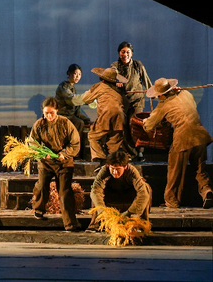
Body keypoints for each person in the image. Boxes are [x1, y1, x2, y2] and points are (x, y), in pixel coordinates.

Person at [143, 78, 213, 209]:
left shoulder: (163, 106)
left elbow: (149, 126)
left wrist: (146, 121)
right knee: (200, 169)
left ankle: (172, 201)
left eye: (158, 95)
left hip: (183, 139)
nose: (157, 98)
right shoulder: (186, 94)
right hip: (200, 136)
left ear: (162, 95)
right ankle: (207, 191)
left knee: (175, 171)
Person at [29, 97, 82, 232]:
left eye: (51, 113)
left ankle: (70, 223)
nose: (49, 116)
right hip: (46, 162)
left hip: (63, 162)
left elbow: (75, 142)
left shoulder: (65, 123)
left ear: (57, 111)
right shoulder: (39, 124)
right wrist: (42, 153)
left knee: (64, 191)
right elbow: (32, 142)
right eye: (46, 113)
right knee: (42, 185)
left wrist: (65, 153)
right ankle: (38, 209)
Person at [87, 151, 152, 232]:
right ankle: (95, 224)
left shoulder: (132, 171)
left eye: (118, 169)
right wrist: (103, 211)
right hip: (111, 195)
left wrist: (129, 213)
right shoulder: (105, 170)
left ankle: (142, 223)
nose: (115, 172)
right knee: (95, 191)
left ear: (125, 167)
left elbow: (143, 194)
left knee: (146, 188)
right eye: (112, 169)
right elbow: (96, 190)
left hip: (128, 196)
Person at [111, 41, 153, 159]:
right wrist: (116, 82)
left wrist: (153, 92)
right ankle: (130, 153)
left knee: (134, 124)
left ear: (132, 53)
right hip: (122, 101)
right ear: (119, 53)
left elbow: (146, 81)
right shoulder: (115, 66)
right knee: (123, 126)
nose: (125, 54)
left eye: (128, 52)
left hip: (137, 100)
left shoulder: (138, 65)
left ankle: (139, 151)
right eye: (123, 52)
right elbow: (110, 78)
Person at [81, 67, 128, 165]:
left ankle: (100, 159)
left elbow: (86, 99)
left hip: (107, 115)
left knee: (93, 136)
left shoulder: (100, 86)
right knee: (114, 141)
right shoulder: (118, 89)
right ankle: (114, 162)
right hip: (120, 116)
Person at [55, 63, 93, 132]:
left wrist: (86, 120)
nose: (77, 76)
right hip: (63, 115)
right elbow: (71, 100)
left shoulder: (73, 89)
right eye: (75, 74)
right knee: (79, 123)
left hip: (71, 116)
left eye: (80, 74)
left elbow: (77, 108)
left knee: (84, 123)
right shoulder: (63, 86)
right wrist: (86, 99)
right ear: (69, 74)